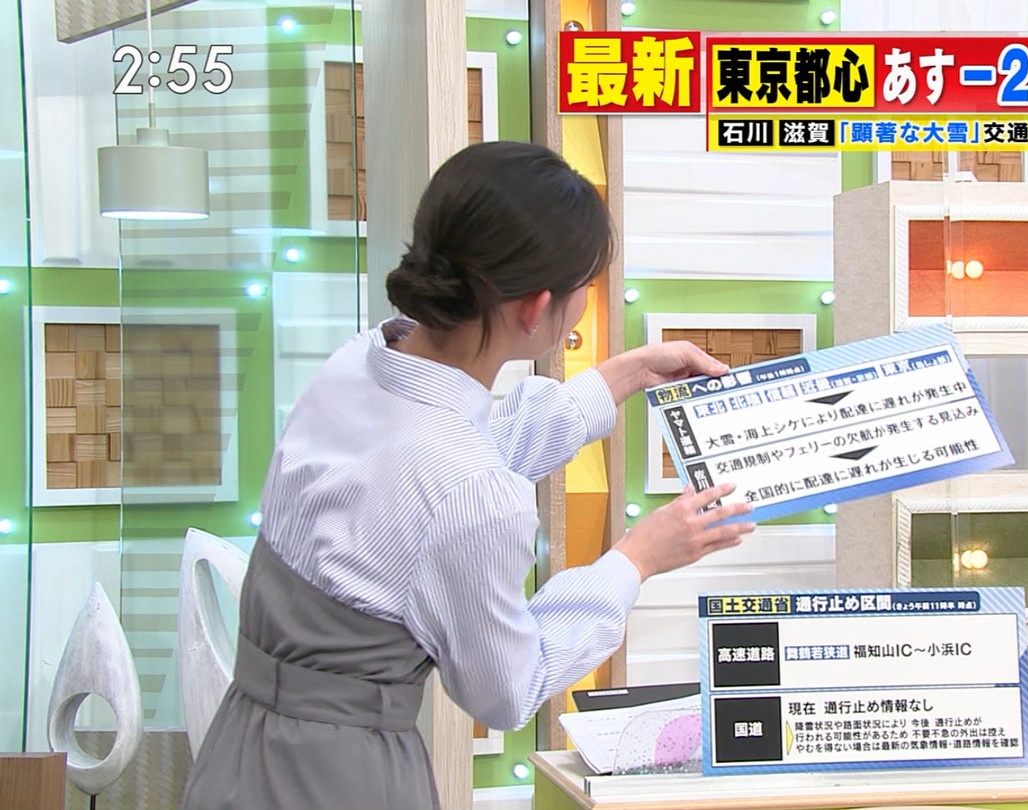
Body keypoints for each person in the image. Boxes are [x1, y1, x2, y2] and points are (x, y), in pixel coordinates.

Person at [182, 141, 756, 810]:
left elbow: (437, 479)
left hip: (239, 748)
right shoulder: (468, 490)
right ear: (536, 309)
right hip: (340, 779)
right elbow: (507, 688)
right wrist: (634, 561)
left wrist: (618, 377)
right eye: (584, 289)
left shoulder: (357, 362)